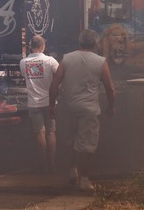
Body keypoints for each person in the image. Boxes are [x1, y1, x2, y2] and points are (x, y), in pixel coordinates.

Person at [49, 29, 115, 191]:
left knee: (69, 140)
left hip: (68, 107)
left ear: (80, 42)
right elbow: (110, 88)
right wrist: (111, 106)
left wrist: (52, 105)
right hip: (89, 109)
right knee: (86, 145)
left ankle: (72, 172)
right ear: (95, 44)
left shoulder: (67, 58)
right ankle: (84, 180)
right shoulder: (100, 61)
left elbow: (55, 83)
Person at [20, 36, 59, 173]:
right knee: (51, 131)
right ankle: (53, 164)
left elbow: (24, 76)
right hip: (50, 102)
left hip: (34, 103)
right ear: (43, 46)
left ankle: (43, 165)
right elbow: (60, 75)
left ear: (31, 46)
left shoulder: (23, 62)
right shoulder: (50, 61)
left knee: (39, 133)